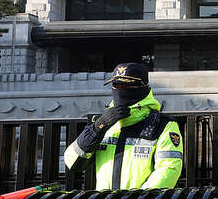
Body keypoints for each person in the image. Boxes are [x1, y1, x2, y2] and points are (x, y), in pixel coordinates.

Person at [64, 62, 183, 190]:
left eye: (127, 86)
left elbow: (168, 169)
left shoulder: (164, 125)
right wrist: (97, 129)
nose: (120, 90)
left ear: (143, 87)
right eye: (116, 85)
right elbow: (72, 163)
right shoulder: (104, 122)